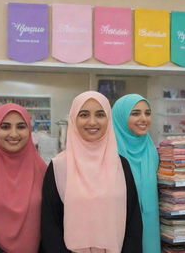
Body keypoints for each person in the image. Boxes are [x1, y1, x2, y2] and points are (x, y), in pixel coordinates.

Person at [41, 91, 142, 253]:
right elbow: (50, 226)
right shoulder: (59, 167)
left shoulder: (121, 165)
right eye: (84, 114)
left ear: (108, 119)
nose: (92, 122)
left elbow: (133, 222)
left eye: (100, 114)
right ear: (73, 119)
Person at [0, 103, 47, 253]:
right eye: (5, 127)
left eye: (21, 126)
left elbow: (50, 220)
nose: (13, 134)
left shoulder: (42, 170)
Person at [112, 94, 161, 253]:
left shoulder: (152, 150)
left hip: (149, 231)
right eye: (135, 113)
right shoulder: (111, 152)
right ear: (120, 117)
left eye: (147, 113)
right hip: (120, 231)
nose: (143, 118)